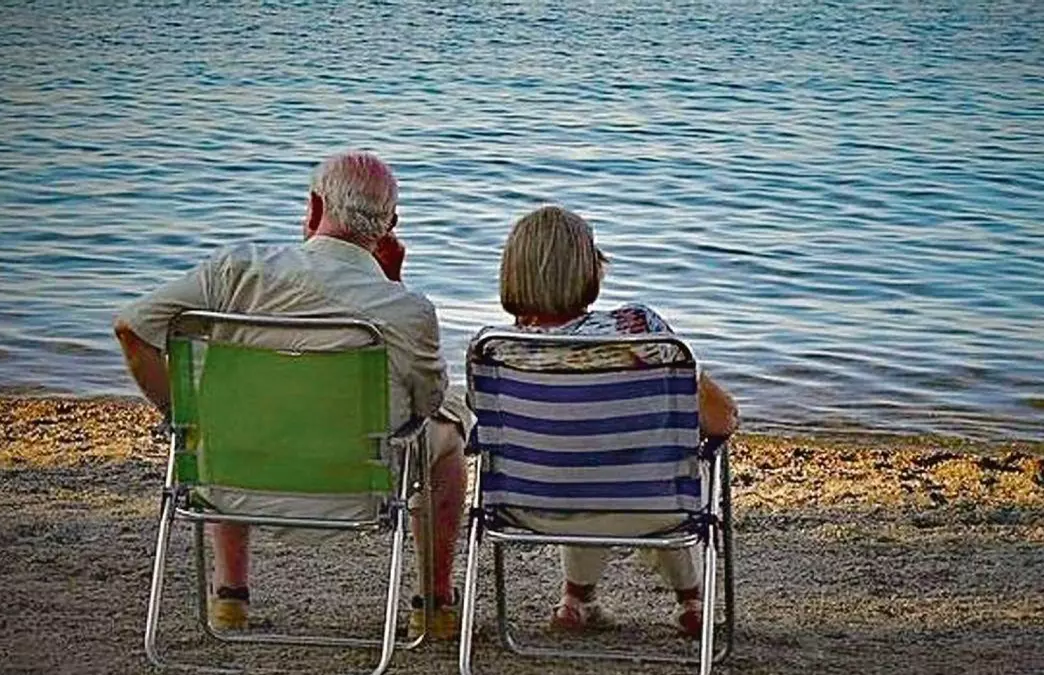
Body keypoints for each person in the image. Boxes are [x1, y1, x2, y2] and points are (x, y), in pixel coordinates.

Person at [114, 151, 467, 639]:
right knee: (451, 428)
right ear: (390, 226)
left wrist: (184, 420)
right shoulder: (405, 308)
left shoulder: (236, 271)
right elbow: (426, 401)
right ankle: (434, 603)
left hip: (232, 480)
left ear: (315, 206)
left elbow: (132, 330)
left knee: (228, 412)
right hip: (354, 493)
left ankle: (229, 597)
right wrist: (392, 285)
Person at [480, 204, 739, 639]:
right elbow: (721, 420)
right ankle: (692, 602)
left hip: (530, 507)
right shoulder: (640, 330)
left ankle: (574, 602)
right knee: (653, 457)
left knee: (575, 454)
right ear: (587, 269)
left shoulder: (494, 350)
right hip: (652, 507)